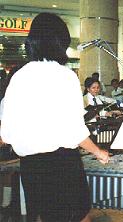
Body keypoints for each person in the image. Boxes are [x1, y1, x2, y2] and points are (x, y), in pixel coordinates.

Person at [0, 13, 109, 222]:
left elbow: (6, 134)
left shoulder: (18, 77)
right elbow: (74, 131)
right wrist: (98, 152)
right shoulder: (64, 76)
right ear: (59, 41)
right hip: (62, 164)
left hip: (31, 167)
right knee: (80, 216)